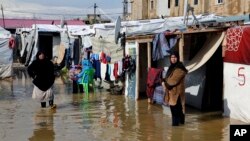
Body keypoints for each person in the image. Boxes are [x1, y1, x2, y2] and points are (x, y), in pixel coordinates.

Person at [163, 51, 188, 126]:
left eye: (175, 57)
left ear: (178, 58)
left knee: (175, 111)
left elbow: (172, 81)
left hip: (177, 93)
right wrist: (164, 80)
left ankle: (175, 129)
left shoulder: (180, 68)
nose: (173, 59)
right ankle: (180, 128)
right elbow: (169, 79)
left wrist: (164, 82)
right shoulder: (172, 67)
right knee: (178, 110)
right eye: (172, 57)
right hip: (173, 92)